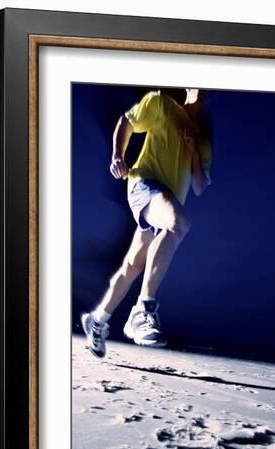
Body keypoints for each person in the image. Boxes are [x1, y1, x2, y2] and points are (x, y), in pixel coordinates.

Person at [81, 88, 212, 358]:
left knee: (132, 266)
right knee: (179, 223)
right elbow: (126, 123)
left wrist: (194, 153)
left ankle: (97, 320)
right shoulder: (161, 104)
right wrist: (118, 156)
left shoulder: (202, 139)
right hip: (144, 184)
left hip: (162, 203)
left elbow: (200, 186)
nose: (200, 89)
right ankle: (143, 309)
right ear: (187, 89)